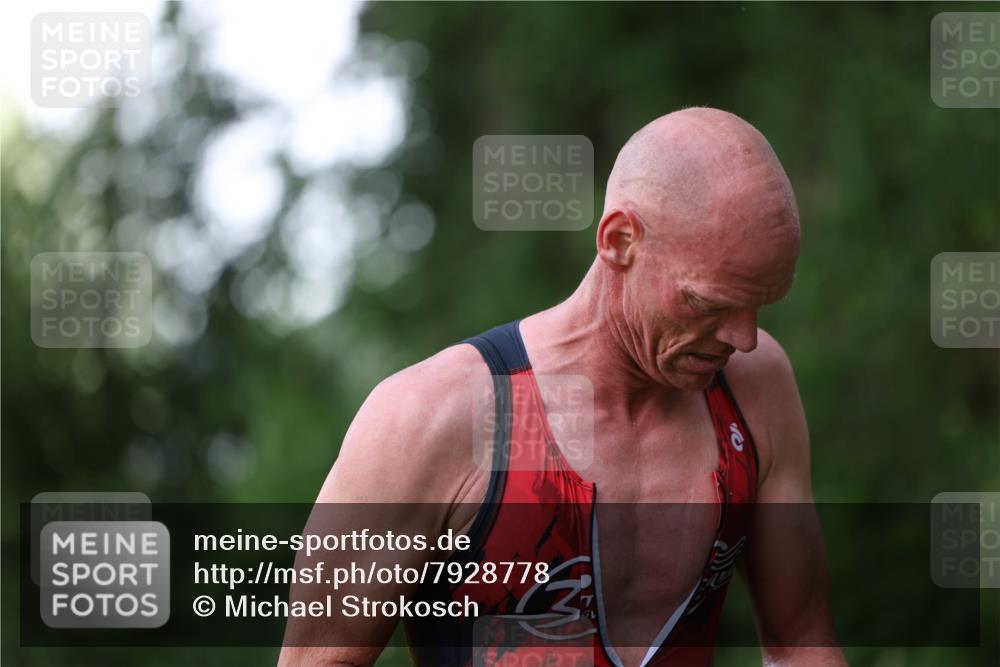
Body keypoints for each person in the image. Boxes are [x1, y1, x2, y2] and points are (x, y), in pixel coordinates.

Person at [278, 107, 847, 667]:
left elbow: (801, 646)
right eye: (709, 303)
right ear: (620, 240)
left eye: (759, 305)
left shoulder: (753, 387)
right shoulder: (436, 416)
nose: (742, 338)